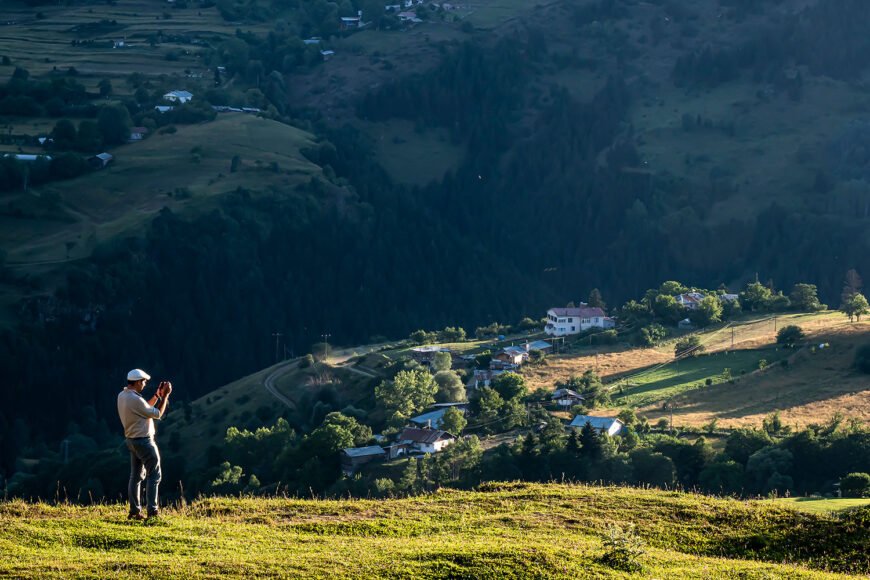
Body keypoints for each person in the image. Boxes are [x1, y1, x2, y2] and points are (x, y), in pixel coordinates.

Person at [117, 368, 172, 520]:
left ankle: (134, 511)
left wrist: (156, 396)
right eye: (144, 382)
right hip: (144, 441)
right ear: (137, 382)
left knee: (135, 476)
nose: (145, 384)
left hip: (131, 440)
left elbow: (145, 409)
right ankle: (152, 511)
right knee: (154, 475)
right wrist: (165, 396)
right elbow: (157, 414)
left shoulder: (123, 396)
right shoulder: (135, 399)